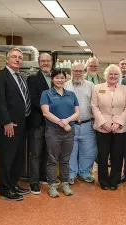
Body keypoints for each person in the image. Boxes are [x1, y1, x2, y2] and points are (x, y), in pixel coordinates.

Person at [0, 48, 31, 201]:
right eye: (14, 57)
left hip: (22, 125)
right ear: (6, 59)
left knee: (17, 158)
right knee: (7, 158)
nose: (17, 59)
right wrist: (6, 121)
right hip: (8, 126)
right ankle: (5, 190)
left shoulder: (21, 77)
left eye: (20, 57)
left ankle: (13, 184)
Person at [91, 64, 126, 190]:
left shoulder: (125, 89)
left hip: (120, 128)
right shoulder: (97, 88)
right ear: (106, 75)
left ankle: (114, 180)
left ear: (119, 76)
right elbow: (94, 106)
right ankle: (103, 181)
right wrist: (103, 123)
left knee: (117, 155)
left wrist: (119, 123)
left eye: (116, 74)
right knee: (103, 155)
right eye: (110, 74)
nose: (113, 76)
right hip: (102, 128)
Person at [40, 69, 79, 197]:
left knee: (65, 159)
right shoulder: (46, 94)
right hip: (53, 131)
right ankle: (52, 185)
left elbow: (77, 113)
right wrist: (61, 123)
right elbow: (46, 113)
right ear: (52, 79)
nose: (60, 80)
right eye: (57, 78)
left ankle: (65, 183)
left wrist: (67, 121)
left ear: (65, 79)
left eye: (62, 78)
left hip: (69, 131)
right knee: (52, 159)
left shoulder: (71, 94)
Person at [64, 62, 97, 185]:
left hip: (87, 124)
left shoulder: (91, 85)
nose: (78, 73)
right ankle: (71, 174)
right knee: (70, 151)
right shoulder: (65, 85)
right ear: (71, 72)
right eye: (75, 71)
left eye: (80, 71)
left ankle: (85, 173)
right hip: (70, 125)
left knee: (88, 151)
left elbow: (96, 103)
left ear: (84, 72)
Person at [27, 53, 52, 194]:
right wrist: (48, 110)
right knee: (36, 153)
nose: (45, 63)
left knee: (48, 152)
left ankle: (43, 176)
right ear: (38, 62)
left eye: (48, 61)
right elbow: (33, 99)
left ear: (52, 62)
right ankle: (34, 183)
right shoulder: (32, 79)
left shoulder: (56, 78)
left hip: (53, 123)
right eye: (43, 61)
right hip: (38, 121)